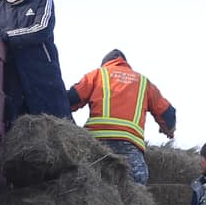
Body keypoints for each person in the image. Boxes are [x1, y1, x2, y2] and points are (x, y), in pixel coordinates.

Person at [66, 50, 176, 184]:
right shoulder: (143, 82)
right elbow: (168, 112)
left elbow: (70, 99)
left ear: (105, 64)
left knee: (87, 184)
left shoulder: (98, 74)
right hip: (129, 146)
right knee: (135, 189)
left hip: (97, 143)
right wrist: (168, 129)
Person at [0, 0, 70, 127]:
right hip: (12, 74)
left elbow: (42, 29)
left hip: (42, 71)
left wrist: (8, 36)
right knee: (17, 123)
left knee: (54, 120)